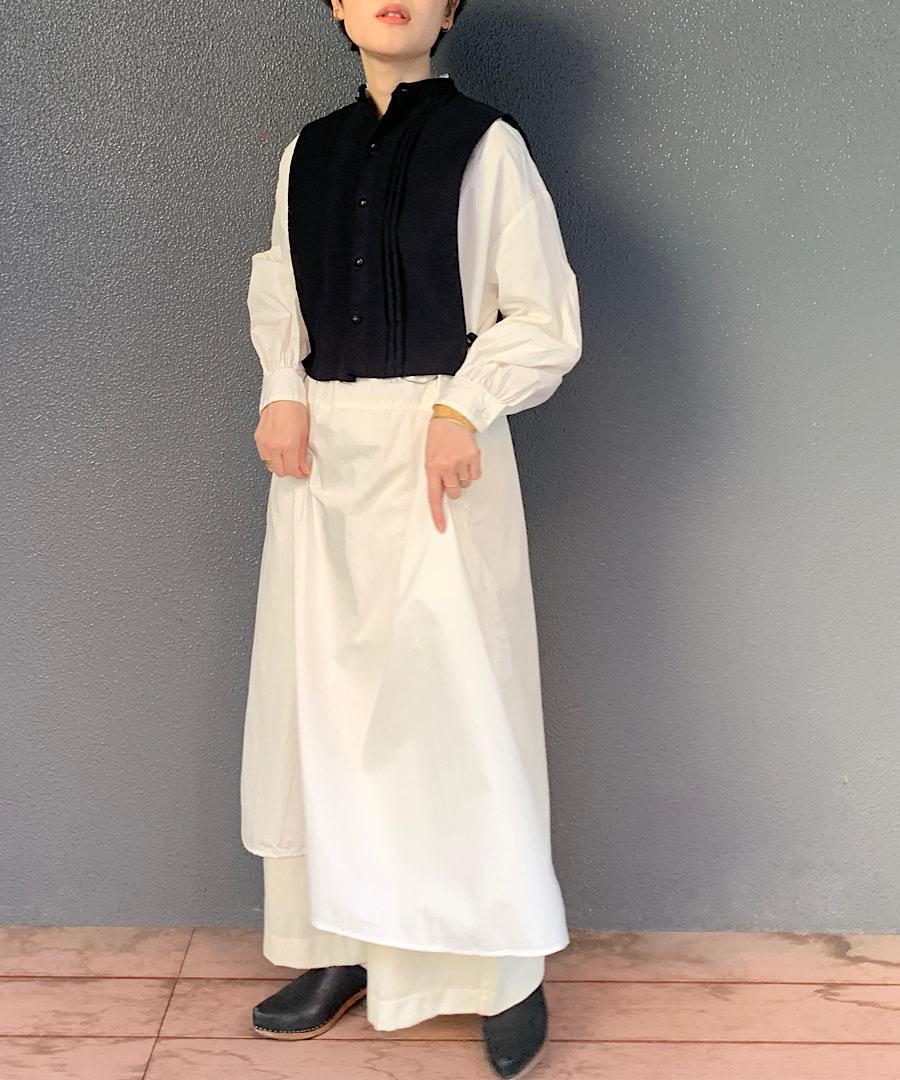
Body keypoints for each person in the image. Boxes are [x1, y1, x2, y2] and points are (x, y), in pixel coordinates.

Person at [240, 2, 583, 1075]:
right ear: (337, 7)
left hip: (440, 452)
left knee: (455, 706)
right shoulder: (307, 152)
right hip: (324, 458)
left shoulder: (489, 146)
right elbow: (283, 289)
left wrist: (462, 408)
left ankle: (499, 967)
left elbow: (542, 314)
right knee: (328, 707)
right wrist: (281, 388)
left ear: (450, 8)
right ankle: (340, 945)